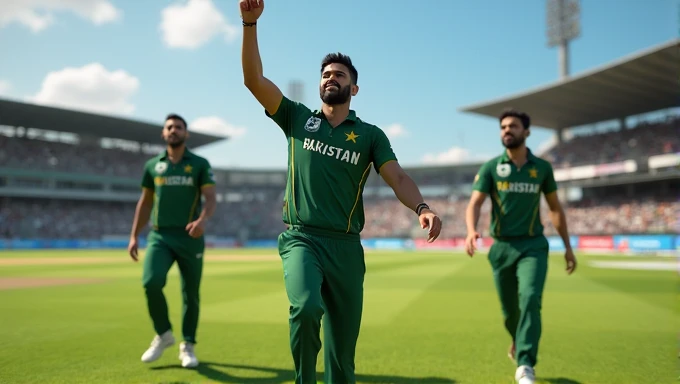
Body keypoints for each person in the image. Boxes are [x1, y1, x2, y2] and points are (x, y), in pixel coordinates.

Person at [239, 1, 442, 382]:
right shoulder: (296, 118)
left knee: (342, 359)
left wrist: (422, 207)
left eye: (340, 74)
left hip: (346, 248)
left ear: (355, 87)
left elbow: (396, 176)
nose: (331, 77)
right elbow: (253, 80)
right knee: (305, 308)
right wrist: (249, 24)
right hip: (302, 238)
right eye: (326, 73)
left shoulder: (369, 135)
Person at [464, 109, 577, 384]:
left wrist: (567, 247)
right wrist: (470, 230)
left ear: (526, 132)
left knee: (530, 298)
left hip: (533, 246)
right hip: (501, 248)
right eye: (503, 126)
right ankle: (517, 337)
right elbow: (475, 203)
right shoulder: (491, 167)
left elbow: (555, 209)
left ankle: (525, 364)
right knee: (509, 312)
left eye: (513, 126)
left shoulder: (542, 168)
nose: (506, 130)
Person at [128, 113, 217, 369]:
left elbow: (210, 198)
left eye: (178, 127)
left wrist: (202, 220)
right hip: (160, 236)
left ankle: (187, 345)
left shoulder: (199, 163)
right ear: (163, 134)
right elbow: (145, 203)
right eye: (169, 127)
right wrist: (134, 235)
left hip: (190, 237)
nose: (173, 130)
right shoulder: (152, 165)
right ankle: (164, 334)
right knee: (150, 282)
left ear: (186, 134)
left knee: (191, 294)